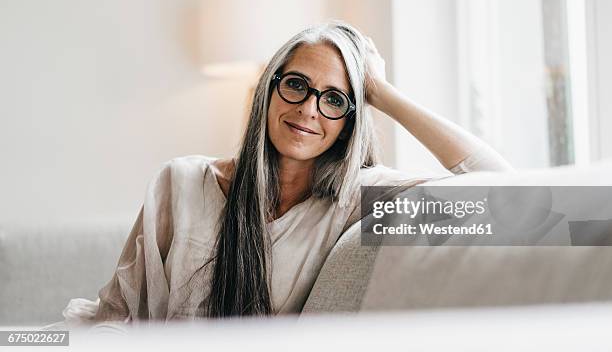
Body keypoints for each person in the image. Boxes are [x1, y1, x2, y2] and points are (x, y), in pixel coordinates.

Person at [52, 20, 512, 328]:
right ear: (267, 91)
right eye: (296, 85)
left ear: (351, 119)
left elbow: (517, 199)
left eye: (334, 99)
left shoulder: (357, 200)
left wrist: (384, 94)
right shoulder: (181, 183)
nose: (309, 110)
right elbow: (114, 316)